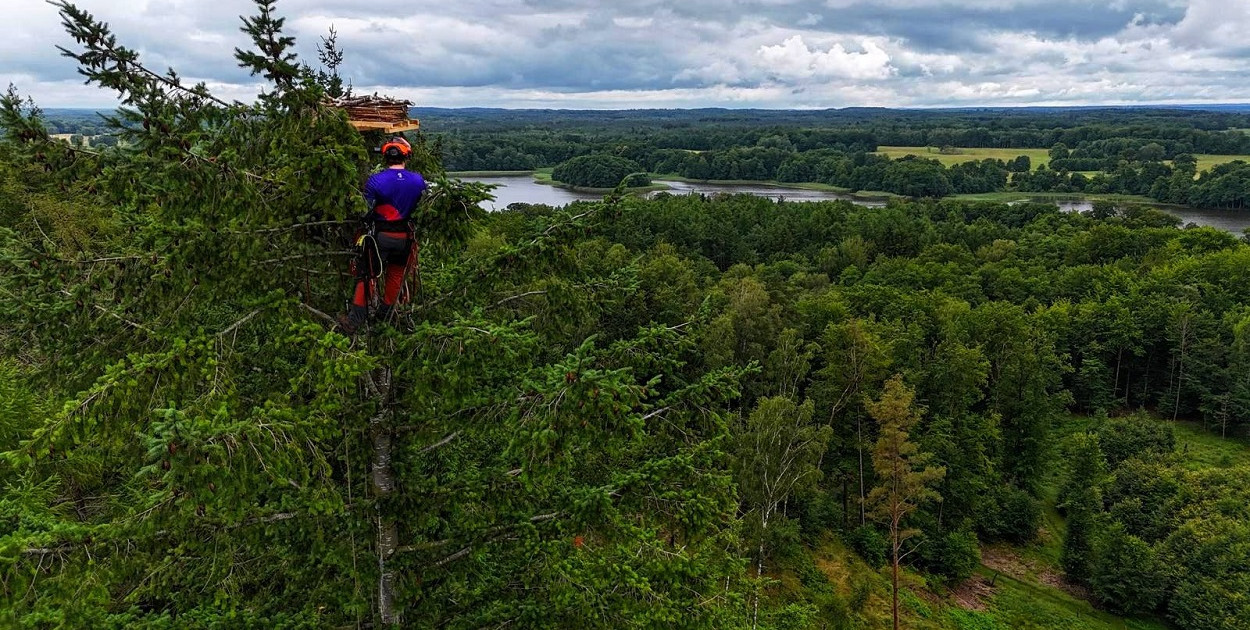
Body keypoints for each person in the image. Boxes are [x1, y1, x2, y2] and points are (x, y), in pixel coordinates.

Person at [337, 136, 427, 334]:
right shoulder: (418, 180)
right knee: (395, 275)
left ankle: (355, 321)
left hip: (381, 237)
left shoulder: (376, 180)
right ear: (406, 155)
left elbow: (366, 211)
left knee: (366, 274)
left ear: (386, 156)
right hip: (405, 238)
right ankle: (384, 316)